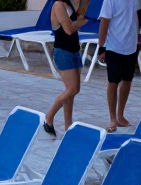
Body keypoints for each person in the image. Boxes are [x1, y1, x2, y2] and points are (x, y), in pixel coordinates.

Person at [98, 0, 141, 133]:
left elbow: (140, 20)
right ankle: (112, 118)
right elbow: (104, 23)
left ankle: (120, 115)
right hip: (113, 46)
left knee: (127, 81)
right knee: (113, 82)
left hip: (130, 46)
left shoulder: (136, 1)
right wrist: (101, 47)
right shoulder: (110, 1)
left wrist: (139, 41)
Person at [43, 0, 88, 136]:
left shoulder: (71, 5)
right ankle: (49, 117)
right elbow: (68, 30)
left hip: (74, 51)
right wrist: (80, 22)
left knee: (71, 92)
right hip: (63, 52)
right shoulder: (58, 5)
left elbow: (84, 10)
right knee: (73, 89)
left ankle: (68, 125)